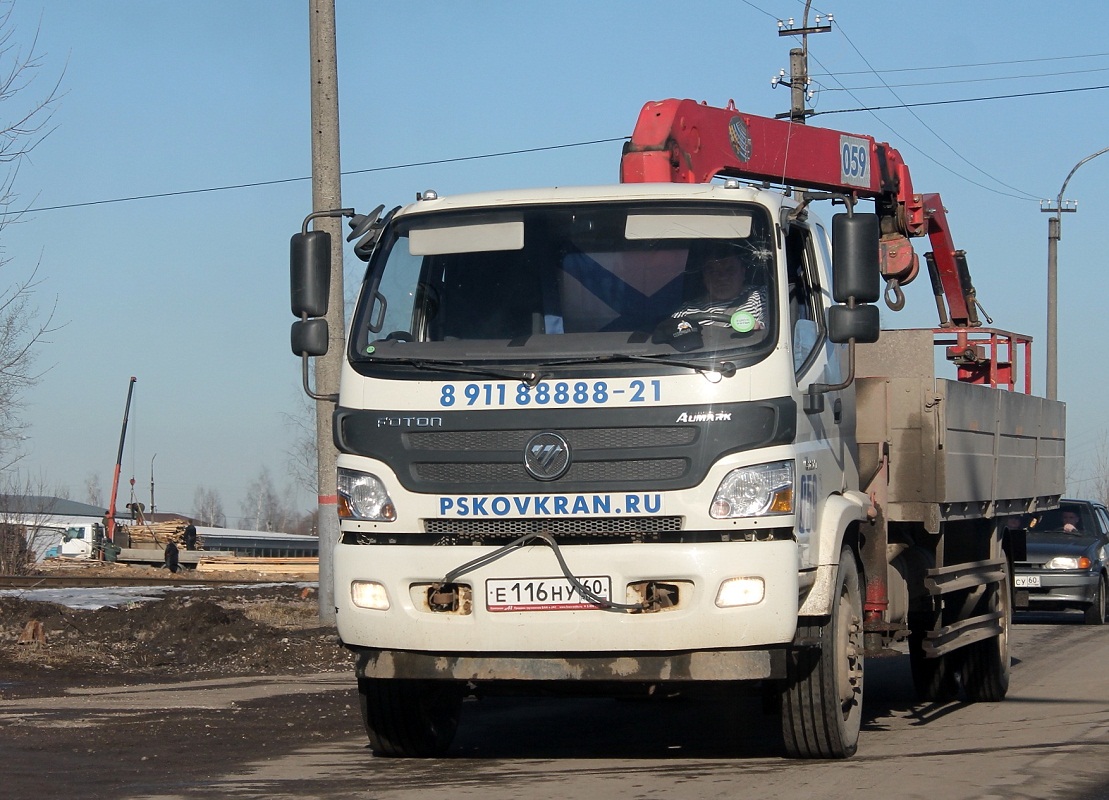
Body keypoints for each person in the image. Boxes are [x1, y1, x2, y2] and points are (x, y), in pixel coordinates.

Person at [672, 243, 767, 330]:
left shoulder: (761, 297)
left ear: (743, 272)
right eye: (713, 272)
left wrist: (758, 329)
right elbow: (668, 336)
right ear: (704, 277)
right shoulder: (687, 310)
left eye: (730, 270)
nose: (722, 277)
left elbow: (772, 329)